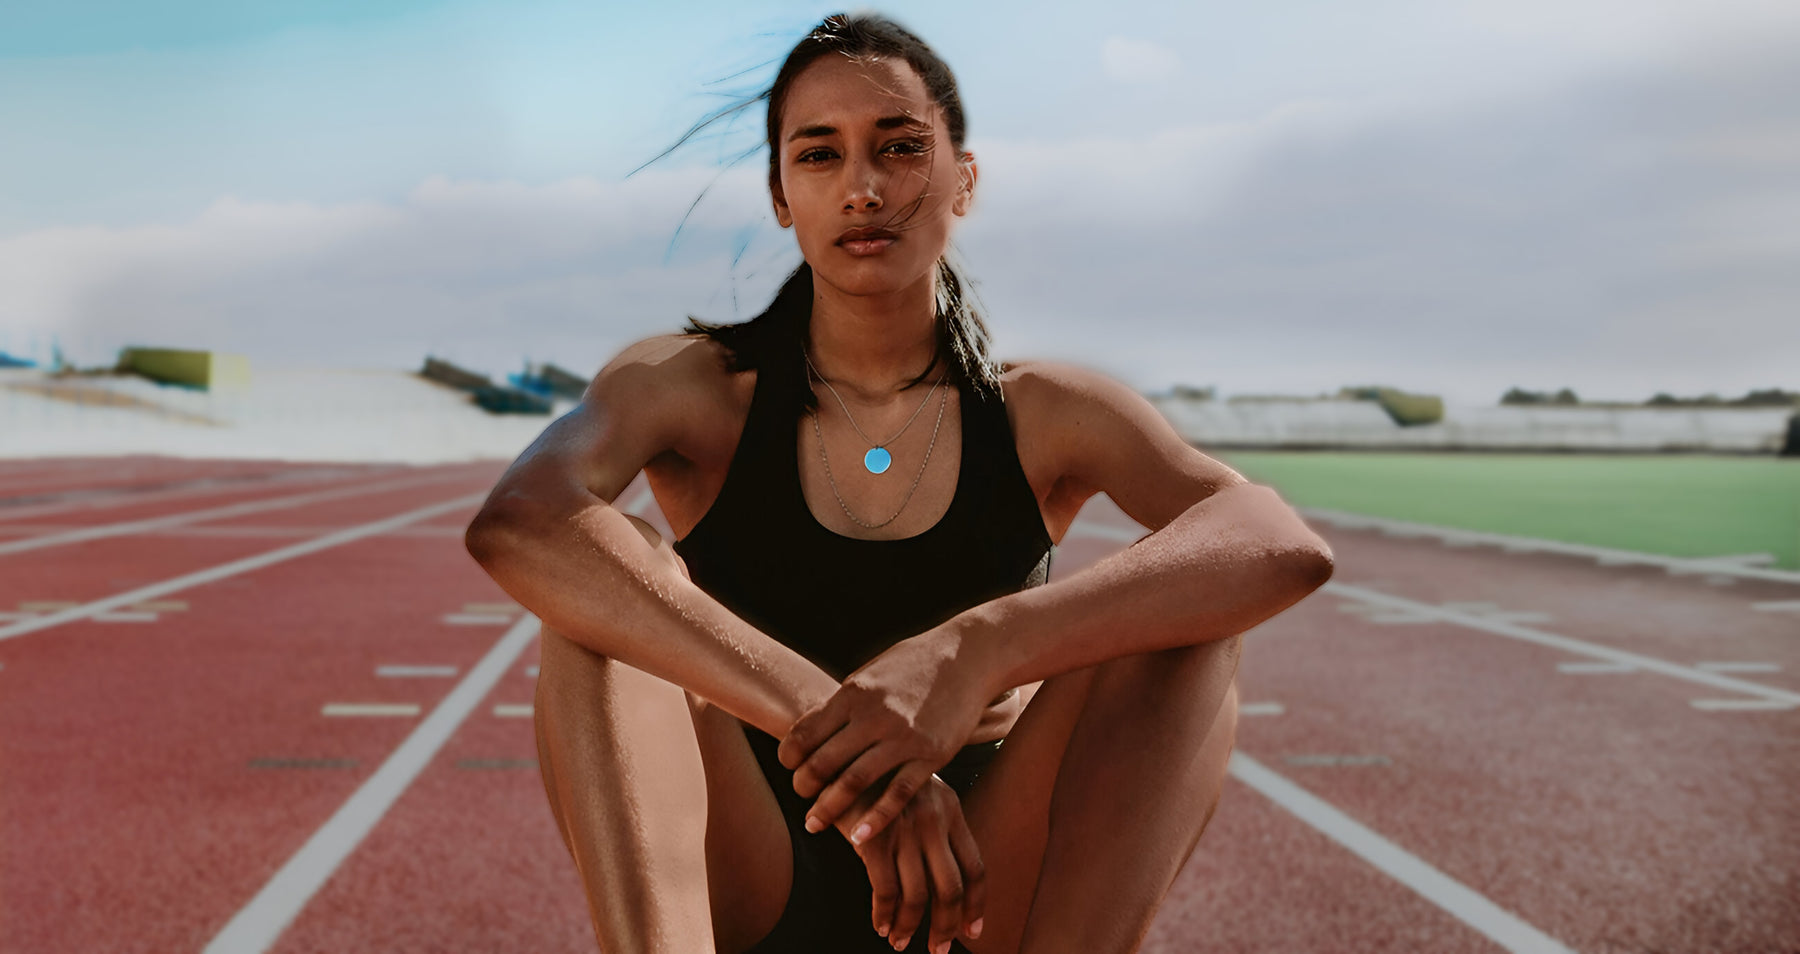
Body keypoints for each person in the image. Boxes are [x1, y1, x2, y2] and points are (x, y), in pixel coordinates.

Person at [465, 12, 1334, 954]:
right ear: (780, 194)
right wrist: (849, 734)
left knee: (1187, 622)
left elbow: (1276, 541)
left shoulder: (1045, 412)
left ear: (963, 178)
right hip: (750, 872)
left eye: (901, 147)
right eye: (820, 155)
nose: (863, 188)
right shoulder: (692, 391)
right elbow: (522, 521)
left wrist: (975, 654)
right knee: (603, 588)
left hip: (980, 887)